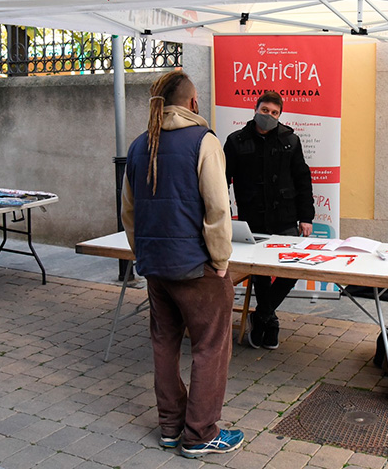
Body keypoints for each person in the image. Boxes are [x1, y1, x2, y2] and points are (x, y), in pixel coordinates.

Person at [121, 70, 243, 459]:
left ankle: (171, 428)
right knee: (210, 347)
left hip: (155, 266)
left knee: (164, 345)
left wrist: (141, 252)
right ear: (193, 102)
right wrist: (221, 260)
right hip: (197, 267)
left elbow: (128, 211)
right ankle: (201, 433)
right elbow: (218, 207)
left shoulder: (141, 145)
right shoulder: (203, 141)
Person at [224, 91, 315, 350]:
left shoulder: (290, 140)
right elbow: (222, 179)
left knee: (292, 270)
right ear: (256, 109)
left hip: (285, 218)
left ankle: (261, 314)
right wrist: (223, 213)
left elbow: (302, 179)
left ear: (280, 115)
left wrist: (306, 217)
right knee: (261, 275)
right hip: (252, 220)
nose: (269, 116)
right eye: (265, 111)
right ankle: (270, 322)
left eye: (274, 113)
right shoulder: (236, 141)